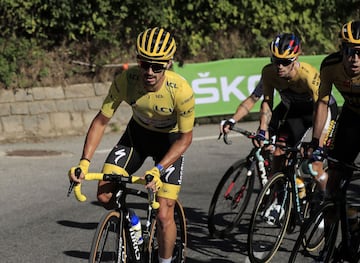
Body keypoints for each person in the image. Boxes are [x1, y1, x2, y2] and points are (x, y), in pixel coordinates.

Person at [68, 27, 195, 263]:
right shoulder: (127, 80)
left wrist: (159, 169)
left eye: (157, 66)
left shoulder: (181, 91)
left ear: (168, 64)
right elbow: (101, 121)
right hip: (136, 138)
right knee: (105, 196)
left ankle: (165, 261)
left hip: (169, 144)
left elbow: (185, 138)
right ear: (137, 60)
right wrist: (84, 163)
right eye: (144, 63)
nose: (149, 72)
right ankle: (132, 223)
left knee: (165, 212)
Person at [254, 32, 338, 221]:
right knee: (278, 153)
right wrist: (263, 128)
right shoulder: (269, 72)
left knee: (315, 164)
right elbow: (267, 102)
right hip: (297, 113)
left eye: (285, 62)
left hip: (322, 111)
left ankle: (326, 206)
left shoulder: (308, 75)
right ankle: (280, 197)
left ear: (296, 58)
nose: (279, 66)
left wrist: (315, 143)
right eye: (276, 60)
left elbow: (321, 107)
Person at [309, 20, 360, 260]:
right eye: (350, 51)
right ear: (342, 50)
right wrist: (316, 142)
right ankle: (329, 243)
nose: (355, 58)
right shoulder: (330, 66)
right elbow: (322, 103)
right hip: (351, 117)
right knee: (334, 183)